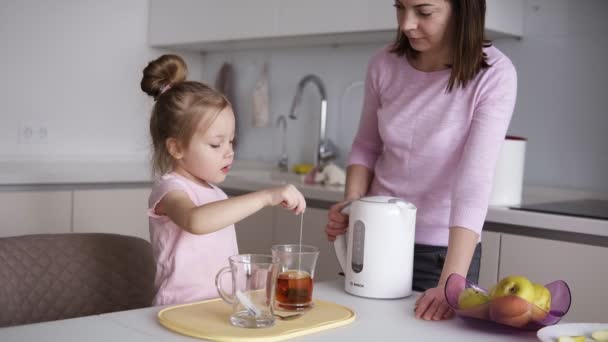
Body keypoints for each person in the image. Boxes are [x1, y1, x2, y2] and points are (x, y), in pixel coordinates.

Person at [325, 0, 517, 321]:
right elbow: (365, 146)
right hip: (375, 239)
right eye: (400, 8)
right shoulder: (384, 64)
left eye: (424, 12)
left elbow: (474, 181)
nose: (406, 24)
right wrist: (353, 207)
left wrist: (450, 283)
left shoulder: (494, 74)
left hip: (444, 255)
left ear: (463, 10)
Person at [141, 54, 307, 306]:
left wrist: (254, 279)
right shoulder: (170, 189)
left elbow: (215, 264)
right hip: (176, 310)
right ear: (176, 148)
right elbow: (195, 220)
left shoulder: (217, 195)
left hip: (218, 308)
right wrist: (265, 196)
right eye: (216, 144)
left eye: (231, 141)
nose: (229, 151)